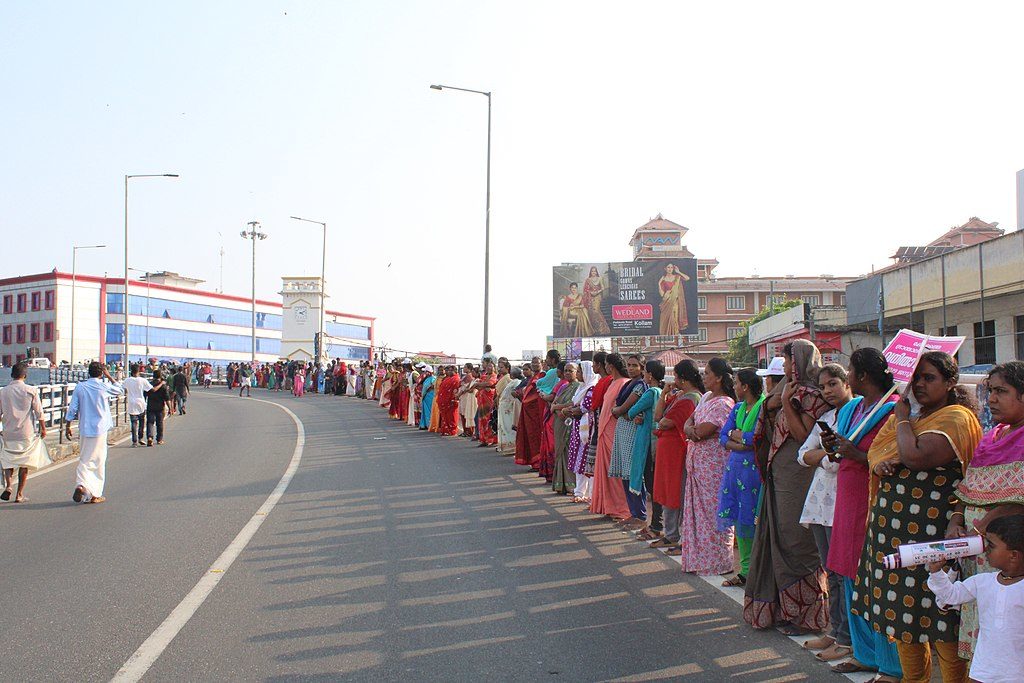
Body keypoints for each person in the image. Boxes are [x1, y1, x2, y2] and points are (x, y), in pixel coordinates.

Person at [852, 351, 982, 683]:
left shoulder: (956, 418)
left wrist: (902, 416)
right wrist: (884, 464)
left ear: (951, 382)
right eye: (917, 378)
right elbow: (883, 455)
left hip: (934, 539)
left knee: (942, 624)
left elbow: (916, 456)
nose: (920, 384)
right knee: (904, 623)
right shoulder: (915, 419)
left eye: (930, 378)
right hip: (895, 540)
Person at [821, 348, 901, 680]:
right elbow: (846, 447)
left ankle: (890, 663)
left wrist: (857, 453)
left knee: (875, 580)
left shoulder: (894, 410)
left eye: (851, 371)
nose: (848, 378)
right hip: (849, 493)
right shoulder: (854, 408)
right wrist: (835, 447)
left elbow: (894, 454)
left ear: (862, 376)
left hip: (875, 497)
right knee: (849, 573)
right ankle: (863, 651)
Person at [744, 339, 831, 633]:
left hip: (800, 477)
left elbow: (803, 433)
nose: (785, 366)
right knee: (778, 538)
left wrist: (783, 404)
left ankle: (808, 617)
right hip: (780, 476)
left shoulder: (814, 396)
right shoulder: (788, 391)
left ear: (801, 362)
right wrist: (779, 399)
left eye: (789, 361)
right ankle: (784, 610)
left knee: (798, 543)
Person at [945, 361, 1024, 663]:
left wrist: (984, 527)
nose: (991, 399)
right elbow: (968, 489)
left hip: (1006, 553)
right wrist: (955, 520)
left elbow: (1018, 499)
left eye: (1001, 391)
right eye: (990, 391)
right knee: (980, 618)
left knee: (1006, 628)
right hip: (975, 552)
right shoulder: (991, 438)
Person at [796, 363, 854, 662]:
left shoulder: (859, 417)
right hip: (820, 504)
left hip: (843, 504)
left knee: (844, 574)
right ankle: (835, 631)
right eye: (823, 386)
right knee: (830, 571)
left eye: (833, 383)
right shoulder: (826, 418)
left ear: (848, 382)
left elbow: (840, 460)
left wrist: (824, 456)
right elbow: (803, 455)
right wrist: (825, 455)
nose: (828, 391)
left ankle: (847, 638)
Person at [927, 514, 1024, 683]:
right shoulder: (983, 582)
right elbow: (951, 595)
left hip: (1016, 674)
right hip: (982, 672)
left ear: (1013, 555)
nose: (985, 549)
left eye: (991, 546)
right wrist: (936, 572)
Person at [679, 357, 736, 574]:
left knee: (714, 512)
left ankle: (718, 561)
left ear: (719, 378)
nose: (704, 377)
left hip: (713, 466)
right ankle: (700, 560)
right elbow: (689, 423)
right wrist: (692, 431)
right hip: (697, 464)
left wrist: (694, 432)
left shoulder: (724, 403)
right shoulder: (705, 398)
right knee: (698, 513)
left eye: (708, 373)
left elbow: (703, 430)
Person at [716, 367, 765, 581]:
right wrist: (740, 441)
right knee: (740, 521)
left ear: (745, 386)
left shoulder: (764, 407)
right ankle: (745, 571)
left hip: (754, 473)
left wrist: (739, 438)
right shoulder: (737, 408)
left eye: (736, 383)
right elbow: (723, 436)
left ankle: (757, 571)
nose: (734, 387)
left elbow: (756, 439)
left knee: (754, 520)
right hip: (735, 471)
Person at [650, 360, 703, 555]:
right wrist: (664, 394)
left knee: (675, 491)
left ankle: (677, 535)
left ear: (682, 378)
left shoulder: (691, 398)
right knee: (668, 489)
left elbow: (664, 422)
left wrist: (666, 401)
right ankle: (671, 533)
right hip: (669, 451)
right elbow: (658, 418)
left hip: (677, 451)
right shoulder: (681, 396)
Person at [64, 361, 124, 504]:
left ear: (88, 372)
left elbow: (73, 408)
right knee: (98, 461)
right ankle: (95, 494)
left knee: (84, 459)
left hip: (85, 428)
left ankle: (81, 484)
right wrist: (109, 376)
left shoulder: (81, 386)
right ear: (101, 373)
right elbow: (120, 390)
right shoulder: (103, 386)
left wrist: (67, 425)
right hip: (100, 429)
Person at [0, 362, 51, 502]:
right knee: (24, 463)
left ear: (11, 375)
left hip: (8, 432)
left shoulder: (3, 391)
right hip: (26, 432)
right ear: (25, 375)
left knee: (8, 461)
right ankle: (19, 494)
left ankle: (9, 486)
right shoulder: (31, 390)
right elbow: (38, 411)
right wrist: (43, 428)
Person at [590, 353, 632, 522]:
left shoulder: (624, 383)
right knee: (608, 470)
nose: (605, 367)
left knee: (616, 471)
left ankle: (621, 507)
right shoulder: (612, 382)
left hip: (615, 431)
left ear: (610, 366)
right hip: (605, 430)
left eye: (606, 364)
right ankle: (608, 505)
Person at [609, 354, 648, 529]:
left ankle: (640, 514)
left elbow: (624, 409)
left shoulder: (640, 386)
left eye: (635, 365)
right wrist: (618, 410)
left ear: (642, 367)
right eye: (629, 365)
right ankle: (633, 513)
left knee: (633, 473)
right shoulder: (629, 384)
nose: (631, 368)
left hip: (632, 432)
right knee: (625, 474)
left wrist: (618, 410)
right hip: (623, 431)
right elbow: (619, 410)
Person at [550, 362, 581, 495]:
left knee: (568, 451)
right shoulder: (563, 386)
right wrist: (558, 411)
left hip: (569, 423)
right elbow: (554, 402)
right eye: (566, 370)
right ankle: (560, 484)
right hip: (559, 422)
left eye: (570, 370)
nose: (567, 373)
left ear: (576, 372)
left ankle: (570, 485)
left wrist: (557, 408)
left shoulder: (579, 387)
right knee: (559, 452)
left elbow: (573, 403)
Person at [515, 357, 546, 468]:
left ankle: (539, 462)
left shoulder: (543, 376)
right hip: (529, 412)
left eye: (536, 363)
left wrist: (525, 400)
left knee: (537, 436)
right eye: (532, 363)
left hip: (537, 411)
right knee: (530, 436)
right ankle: (534, 462)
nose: (534, 365)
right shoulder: (532, 377)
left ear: (541, 363)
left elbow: (537, 394)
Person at [123, 363, 153, 447]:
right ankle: (140, 438)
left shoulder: (127, 380)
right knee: (141, 421)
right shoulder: (142, 380)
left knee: (133, 423)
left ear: (131, 371)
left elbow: (124, 389)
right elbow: (150, 389)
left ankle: (134, 441)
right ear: (139, 371)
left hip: (131, 402)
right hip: (141, 402)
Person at [657, 262, 690, 335]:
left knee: (674, 317)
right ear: (665, 269)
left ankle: (675, 333)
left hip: (675, 301)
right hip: (667, 302)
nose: (670, 269)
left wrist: (678, 272)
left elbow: (687, 278)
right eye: (668, 267)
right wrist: (659, 284)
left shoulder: (677, 277)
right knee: (667, 318)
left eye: (671, 267)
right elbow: (662, 294)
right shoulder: (663, 279)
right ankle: (667, 334)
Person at [497, 364, 522, 455]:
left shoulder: (516, 382)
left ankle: (511, 447)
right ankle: (506, 446)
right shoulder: (513, 382)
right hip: (506, 408)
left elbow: (514, 395)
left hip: (510, 408)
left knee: (509, 427)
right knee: (505, 427)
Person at [474, 359, 498, 447]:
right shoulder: (483, 376)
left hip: (489, 401)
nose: (489, 368)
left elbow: (490, 383)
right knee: (481, 420)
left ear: (494, 368)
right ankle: (483, 439)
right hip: (481, 401)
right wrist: (483, 385)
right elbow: (477, 385)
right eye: (488, 366)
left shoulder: (494, 376)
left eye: (491, 367)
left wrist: (482, 385)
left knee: (489, 420)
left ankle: (491, 439)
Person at [582, 266, 610, 335]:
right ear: (590, 272)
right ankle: (596, 328)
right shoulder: (588, 280)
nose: (593, 272)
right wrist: (590, 292)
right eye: (592, 271)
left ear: (596, 272)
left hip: (597, 296)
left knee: (596, 310)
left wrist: (597, 292)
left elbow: (603, 287)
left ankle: (603, 328)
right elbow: (585, 290)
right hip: (590, 297)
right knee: (591, 312)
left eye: (594, 271)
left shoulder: (599, 278)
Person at [145, 370, 170, 446]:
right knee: (159, 423)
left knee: (150, 422)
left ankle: (150, 437)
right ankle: (159, 439)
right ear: (160, 376)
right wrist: (170, 408)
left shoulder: (149, 384)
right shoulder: (163, 386)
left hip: (150, 406)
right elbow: (167, 398)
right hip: (160, 407)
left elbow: (145, 394)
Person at [418, 365, 436, 430]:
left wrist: (430, 388)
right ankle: (424, 424)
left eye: (426, 371)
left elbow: (434, 386)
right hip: (425, 396)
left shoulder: (433, 378)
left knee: (429, 411)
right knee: (425, 410)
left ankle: (429, 425)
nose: (425, 373)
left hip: (430, 396)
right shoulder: (426, 379)